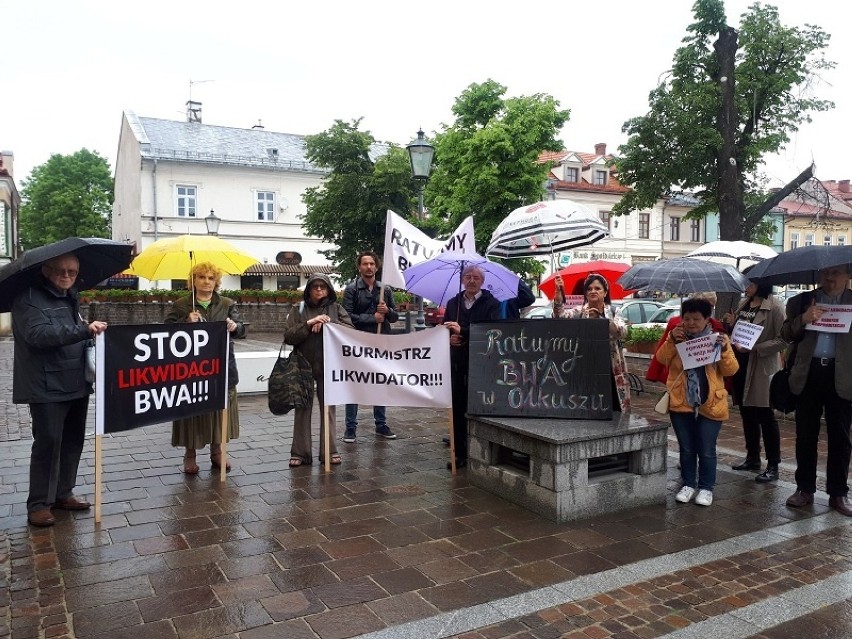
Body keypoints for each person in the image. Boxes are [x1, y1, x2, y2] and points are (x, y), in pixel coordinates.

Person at [13, 252, 108, 527]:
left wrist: (88, 335)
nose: (67, 276)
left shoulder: (71, 296)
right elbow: (38, 335)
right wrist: (83, 331)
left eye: (72, 272)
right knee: (48, 443)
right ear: (46, 270)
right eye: (61, 271)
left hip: (75, 380)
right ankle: (39, 504)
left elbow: (71, 330)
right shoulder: (28, 299)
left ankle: (62, 493)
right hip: (45, 384)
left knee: (72, 440)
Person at [780, 265, 852, 516]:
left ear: (848, 275)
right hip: (808, 374)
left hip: (842, 376)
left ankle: (838, 493)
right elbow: (786, 334)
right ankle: (804, 489)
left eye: (836, 272)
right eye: (826, 273)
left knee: (841, 437)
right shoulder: (801, 301)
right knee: (805, 435)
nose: (830, 278)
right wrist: (804, 319)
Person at [656, 297, 739, 506]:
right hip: (681, 400)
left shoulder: (718, 339)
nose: (691, 323)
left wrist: (724, 351)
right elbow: (661, 359)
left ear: (707, 319)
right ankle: (688, 483)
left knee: (706, 448)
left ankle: (706, 487)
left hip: (710, 402)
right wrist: (671, 340)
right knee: (686, 447)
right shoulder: (677, 337)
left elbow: (731, 370)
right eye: (687, 318)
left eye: (696, 319)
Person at [164, 262, 245, 474]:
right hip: (191, 369)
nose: (206, 282)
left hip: (221, 367)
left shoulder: (227, 304)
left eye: (210, 278)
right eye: (201, 277)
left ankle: (217, 451)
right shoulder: (182, 304)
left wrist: (234, 327)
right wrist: (185, 321)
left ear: (216, 281)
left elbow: (242, 329)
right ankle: (190, 454)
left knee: (219, 411)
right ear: (193, 281)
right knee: (192, 410)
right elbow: (165, 331)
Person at [284, 274, 353, 467]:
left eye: (323, 286)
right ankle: (300, 452)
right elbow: (288, 336)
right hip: (303, 365)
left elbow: (350, 330)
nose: (319, 290)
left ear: (329, 289)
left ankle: (329, 451)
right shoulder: (298, 309)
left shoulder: (336, 308)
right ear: (309, 289)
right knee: (302, 409)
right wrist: (309, 323)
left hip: (329, 364)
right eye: (315, 286)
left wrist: (329, 324)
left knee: (329, 409)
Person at [722, 281, 786, 481]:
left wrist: (757, 348)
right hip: (741, 365)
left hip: (761, 367)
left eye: (750, 283)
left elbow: (784, 339)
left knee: (765, 415)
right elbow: (738, 333)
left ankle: (773, 465)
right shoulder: (744, 304)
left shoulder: (774, 307)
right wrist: (731, 325)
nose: (746, 286)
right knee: (746, 412)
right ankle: (753, 457)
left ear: (762, 284)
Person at [442, 265, 501, 468]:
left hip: (481, 366)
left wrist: (464, 331)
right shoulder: (453, 303)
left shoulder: (492, 304)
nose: (472, 280)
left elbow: (492, 334)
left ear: (482, 281)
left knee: (477, 408)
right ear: (462, 280)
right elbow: (443, 330)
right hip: (457, 364)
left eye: (476, 277)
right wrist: (450, 339)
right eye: (468, 277)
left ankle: (480, 451)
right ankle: (459, 453)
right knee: (457, 409)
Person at [342, 251, 399, 442]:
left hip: (381, 342)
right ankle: (350, 427)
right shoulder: (352, 289)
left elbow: (395, 317)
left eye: (372, 264)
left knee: (380, 383)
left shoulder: (385, 290)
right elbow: (346, 317)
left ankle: (381, 424)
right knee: (355, 384)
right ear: (359, 267)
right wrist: (372, 318)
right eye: (365, 264)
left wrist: (387, 311)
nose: (369, 267)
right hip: (358, 343)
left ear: (377, 266)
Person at [553, 272, 631, 411]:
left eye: (597, 288)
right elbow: (559, 320)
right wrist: (558, 294)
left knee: (613, 406)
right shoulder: (578, 312)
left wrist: (602, 320)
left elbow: (622, 332)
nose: (593, 291)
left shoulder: (613, 311)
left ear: (605, 292)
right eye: (589, 289)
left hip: (610, 367)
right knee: (588, 405)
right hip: (585, 367)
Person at [646, 292, 724, 384]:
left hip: (708, 383)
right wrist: (672, 340)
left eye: (712, 306)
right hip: (679, 380)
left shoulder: (716, 326)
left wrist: (724, 349)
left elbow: (729, 368)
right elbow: (662, 355)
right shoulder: (676, 324)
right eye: (707, 305)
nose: (709, 309)